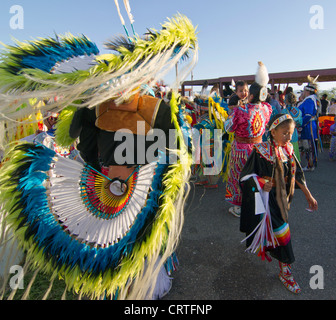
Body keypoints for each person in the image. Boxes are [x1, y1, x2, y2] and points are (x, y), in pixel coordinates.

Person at [239, 113, 318, 294]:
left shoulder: (288, 149)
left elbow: (296, 175)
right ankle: (286, 272)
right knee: (283, 234)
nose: (289, 137)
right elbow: (245, 176)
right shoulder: (260, 151)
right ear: (272, 132)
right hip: (266, 200)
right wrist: (260, 183)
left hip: (282, 200)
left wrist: (308, 195)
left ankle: (276, 257)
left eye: (291, 133)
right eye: (284, 133)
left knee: (277, 231)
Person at [224, 62, 273, 217]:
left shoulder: (241, 110)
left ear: (251, 95)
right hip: (259, 148)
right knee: (255, 176)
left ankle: (239, 207)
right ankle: (257, 204)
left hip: (241, 149)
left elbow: (228, 128)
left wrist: (230, 114)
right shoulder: (266, 109)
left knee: (239, 176)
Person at [298, 76, 321, 171]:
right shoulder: (313, 99)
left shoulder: (309, 100)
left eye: (304, 91)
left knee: (308, 145)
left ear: (307, 91)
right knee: (309, 145)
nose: (303, 93)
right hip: (310, 125)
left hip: (308, 127)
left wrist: (300, 124)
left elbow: (307, 115)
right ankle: (311, 164)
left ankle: (310, 165)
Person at [282, 92, 302, 161]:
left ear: (287, 100)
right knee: (294, 147)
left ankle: (287, 162)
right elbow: (300, 123)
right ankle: (295, 162)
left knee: (286, 146)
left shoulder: (284, 111)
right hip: (294, 132)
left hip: (285, 132)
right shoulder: (298, 111)